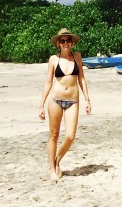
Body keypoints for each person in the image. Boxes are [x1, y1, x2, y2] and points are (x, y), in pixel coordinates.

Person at [38, 28, 92, 181]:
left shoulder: (77, 57)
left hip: (73, 101)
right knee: (54, 135)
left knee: (70, 136)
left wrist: (87, 99)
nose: (66, 43)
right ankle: (52, 169)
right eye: (62, 41)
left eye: (68, 40)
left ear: (72, 42)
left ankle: (56, 161)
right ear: (58, 44)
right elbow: (48, 83)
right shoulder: (53, 59)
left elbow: (81, 78)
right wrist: (41, 105)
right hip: (55, 100)